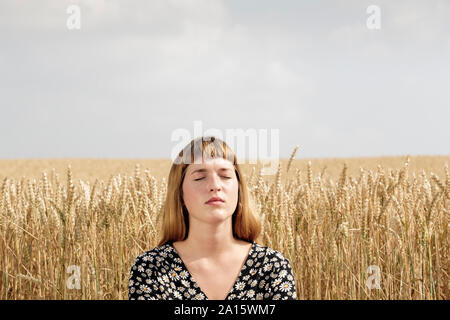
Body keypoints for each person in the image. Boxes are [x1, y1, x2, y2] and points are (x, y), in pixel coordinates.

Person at [128, 136, 297, 300]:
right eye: (200, 177)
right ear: (179, 193)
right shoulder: (151, 268)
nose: (215, 186)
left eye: (225, 176)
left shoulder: (272, 267)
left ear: (239, 188)